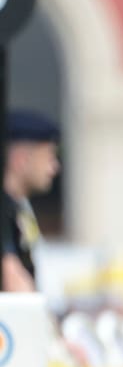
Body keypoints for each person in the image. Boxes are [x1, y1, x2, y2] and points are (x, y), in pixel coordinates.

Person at [2, 109, 61, 293]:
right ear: (21, 160)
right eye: (49, 156)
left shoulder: (20, 208)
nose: (55, 167)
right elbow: (17, 286)